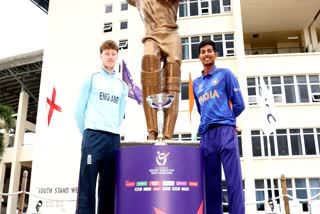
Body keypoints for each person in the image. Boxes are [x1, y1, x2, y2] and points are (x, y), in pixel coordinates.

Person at [74, 40, 128, 214]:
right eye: (107, 53)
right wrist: (88, 133)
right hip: (93, 137)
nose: (110, 57)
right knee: (87, 183)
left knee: (108, 186)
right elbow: (78, 110)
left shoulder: (122, 86)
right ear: (101, 55)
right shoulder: (92, 78)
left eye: (113, 54)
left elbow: (120, 115)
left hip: (113, 138)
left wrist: (110, 128)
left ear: (117, 56)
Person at [192, 39, 245, 214]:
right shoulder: (196, 84)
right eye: (203, 52)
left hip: (225, 132)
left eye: (209, 51)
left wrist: (227, 120)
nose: (206, 54)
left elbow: (239, 104)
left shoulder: (225, 74)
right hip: (207, 136)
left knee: (233, 181)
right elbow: (202, 109)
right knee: (210, 184)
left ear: (215, 54)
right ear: (199, 56)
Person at [127, 0, 181, 140]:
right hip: (151, 36)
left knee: (173, 75)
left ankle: (168, 133)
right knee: (148, 61)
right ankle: (152, 130)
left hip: (171, 33)